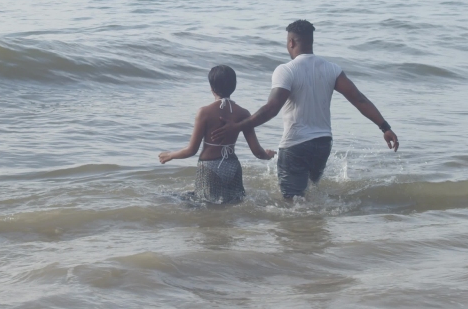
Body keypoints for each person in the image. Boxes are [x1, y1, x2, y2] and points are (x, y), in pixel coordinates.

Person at [212, 20, 399, 199]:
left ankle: (300, 231)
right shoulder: (332, 69)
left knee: (292, 203)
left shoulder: (286, 70)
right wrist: (385, 127)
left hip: (296, 145)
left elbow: (271, 108)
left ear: (291, 42)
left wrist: (237, 126)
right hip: (323, 144)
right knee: (309, 196)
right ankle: (314, 229)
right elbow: (359, 99)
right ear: (311, 41)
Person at [159, 65, 276, 203]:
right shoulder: (243, 113)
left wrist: (171, 155)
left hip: (210, 167)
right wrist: (267, 155)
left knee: (204, 205)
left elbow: (192, 150)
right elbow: (257, 151)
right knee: (233, 204)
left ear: (211, 87)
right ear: (234, 86)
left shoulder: (204, 112)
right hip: (233, 167)